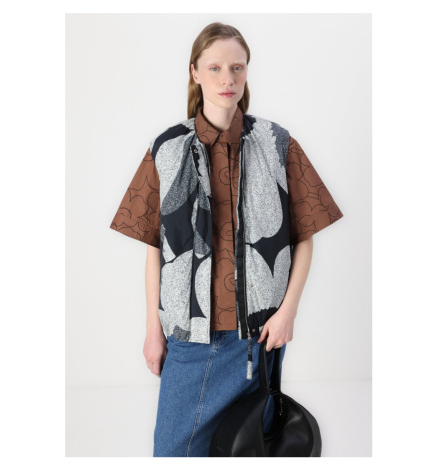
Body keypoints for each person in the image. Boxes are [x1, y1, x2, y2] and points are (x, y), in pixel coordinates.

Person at [109, 22, 344, 457]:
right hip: (190, 336)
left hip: (258, 336)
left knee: (245, 452)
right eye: (215, 67)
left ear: (247, 71)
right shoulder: (166, 149)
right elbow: (155, 248)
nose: (227, 79)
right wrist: (152, 330)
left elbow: (304, 236)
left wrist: (288, 312)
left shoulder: (276, 143)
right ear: (195, 72)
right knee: (173, 452)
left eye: (237, 67)